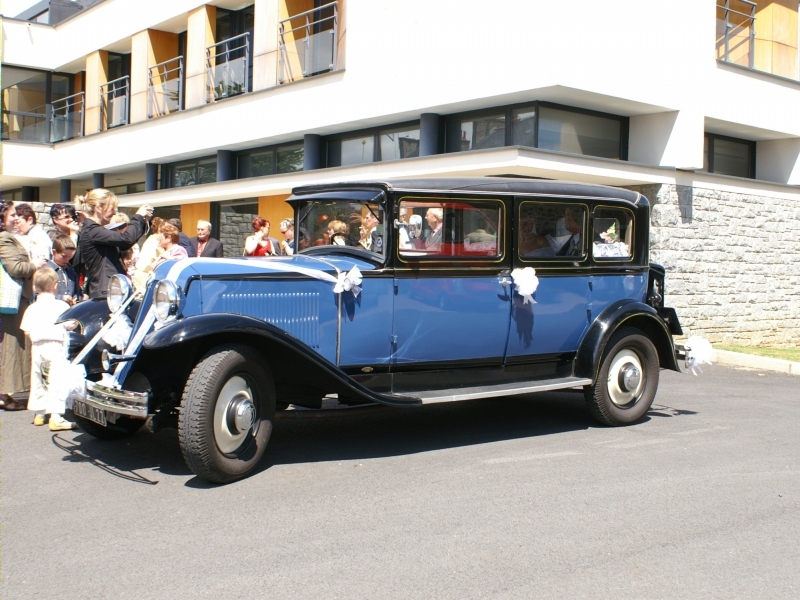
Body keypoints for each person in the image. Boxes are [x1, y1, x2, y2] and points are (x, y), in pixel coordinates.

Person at [0, 200, 47, 411]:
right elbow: (15, 267)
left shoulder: (10, 238)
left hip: (17, 300)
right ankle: (4, 395)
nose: (16, 218)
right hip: (12, 302)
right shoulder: (4, 238)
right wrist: (34, 265)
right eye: (12, 215)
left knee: (11, 347)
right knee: (10, 347)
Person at [20, 268, 77, 431]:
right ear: (54, 286)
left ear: (34, 287)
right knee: (56, 379)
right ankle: (56, 416)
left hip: (37, 346)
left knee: (38, 378)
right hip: (56, 345)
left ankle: (39, 413)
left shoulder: (31, 308)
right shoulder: (61, 306)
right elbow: (71, 324)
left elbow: (27, 330)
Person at [76, 188, 152, 299]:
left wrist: (142, 221)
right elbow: (127, 239)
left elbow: (126, 242)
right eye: (112, 209)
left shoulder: (95, 230)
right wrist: (138, 217)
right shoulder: (93, 231)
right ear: (98, 208)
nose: (115, 213)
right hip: (104, 292)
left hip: (108, 289)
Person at [46, 234, 81, 305]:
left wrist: (76, 298)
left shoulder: (71, 271)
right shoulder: (46, 270)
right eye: (63, 256)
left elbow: (78, 292)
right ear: (54, 252)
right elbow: (38, 295)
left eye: (70, 257)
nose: (67, 260)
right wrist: (61, 297)